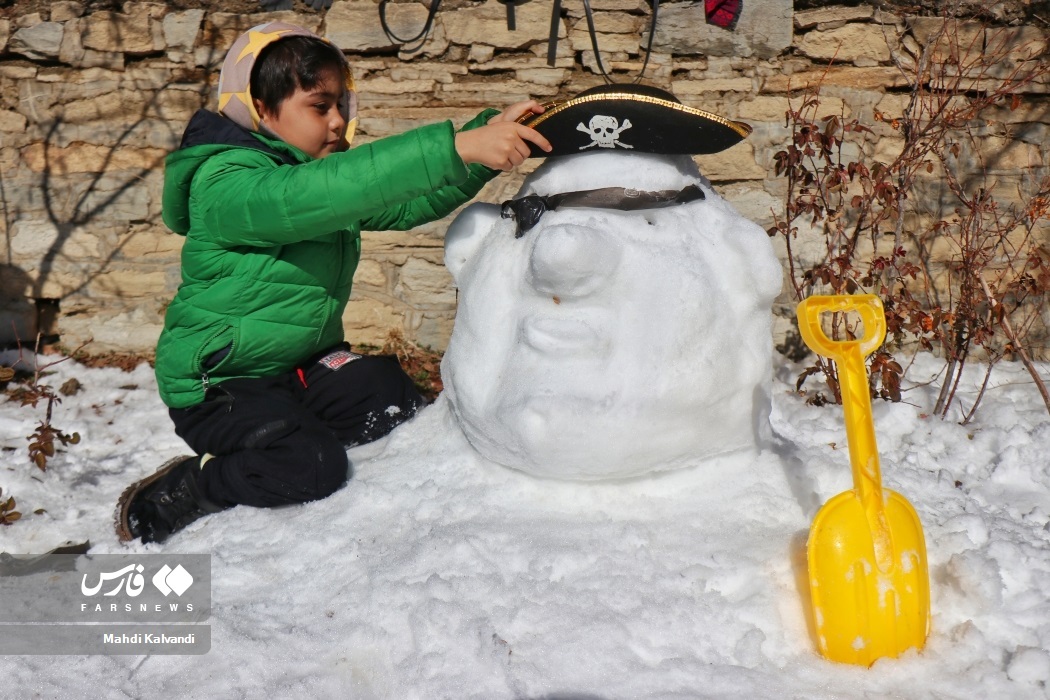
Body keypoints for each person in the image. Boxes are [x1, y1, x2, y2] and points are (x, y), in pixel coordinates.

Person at [115, 21, 551, 544]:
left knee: (390, 396)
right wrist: (455, 148)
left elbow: (401, 201)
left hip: (300, 368)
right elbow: (311, 195)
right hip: (221, 384)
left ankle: (293, 441)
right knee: (310, 465)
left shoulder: (314, 175)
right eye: (319, 106)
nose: (338, 120)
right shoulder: (227, 182)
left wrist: (482, 144)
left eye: (341, 104)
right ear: (260, 107)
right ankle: (185, 489)